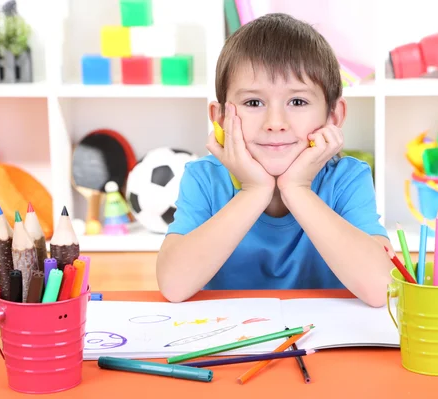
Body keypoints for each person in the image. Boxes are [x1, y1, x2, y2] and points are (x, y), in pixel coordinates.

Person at [156, 12, 395, 307]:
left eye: (297, 102)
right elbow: (173, 286)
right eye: (253, 102)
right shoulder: (204, 178)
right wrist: (253, 191)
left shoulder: (346, 178)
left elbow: (381, 288)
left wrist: (298, 189)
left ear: (334, 116)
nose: (275, 122)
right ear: (220, 117)